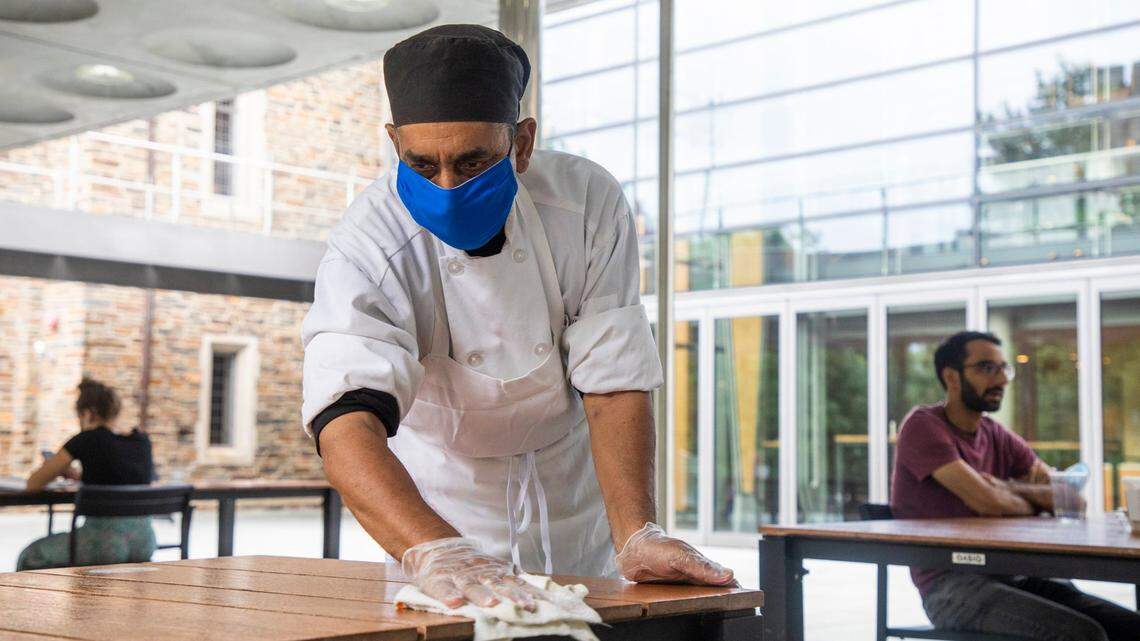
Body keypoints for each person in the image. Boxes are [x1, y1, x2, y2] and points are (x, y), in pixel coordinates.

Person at [302, 24, 735, 609]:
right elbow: (346, 418)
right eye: (423, 165)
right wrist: (435, 550)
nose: (448, 187)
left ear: (523, 143)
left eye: (474, 161)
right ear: (393, 143)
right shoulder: (371, 241)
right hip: (436, 511)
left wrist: (635, 532)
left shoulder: (584, 203)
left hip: (574, 500)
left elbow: (613, 381)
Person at [891, 331, 1140, 641]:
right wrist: (1029, 500)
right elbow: (988, 504)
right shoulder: (924, 425)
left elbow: (1072, 500)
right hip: (950, 585)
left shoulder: (996, 434)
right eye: (986, 368)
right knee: (1083, 635)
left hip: (1016, 574)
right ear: (951, 376)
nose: (1001, 379)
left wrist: (1009, 487)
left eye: (1003, 369)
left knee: (1131, 628)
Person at [18, 378, 156, 570]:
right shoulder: (141, 441)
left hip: (103, 545)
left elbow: (34, 483)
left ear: (87, 413)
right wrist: (80, 477)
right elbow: (117, 477)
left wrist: (56, 468)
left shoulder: (86, 439)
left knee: (31, 555)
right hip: (144, 542)